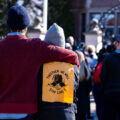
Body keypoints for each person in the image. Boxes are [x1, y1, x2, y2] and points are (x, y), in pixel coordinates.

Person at [0, 6, 79, 120]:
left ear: (8, 26)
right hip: (25, 112)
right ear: (26, 27)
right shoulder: (35, 46)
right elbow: (71, 55)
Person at [37, 23, 79, 120]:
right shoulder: (73, 67)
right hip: (67, 114)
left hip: (45, 114)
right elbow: (75, 91)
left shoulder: (40, 66)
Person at [100, 35, 120, 120]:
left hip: (110, 93)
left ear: (117, 43)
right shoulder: (108, 57)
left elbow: (102, 76)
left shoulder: (108, 58)